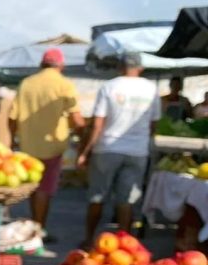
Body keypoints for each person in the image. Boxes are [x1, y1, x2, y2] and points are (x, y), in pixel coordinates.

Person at [76, 52, 159, 247]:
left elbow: (97, 124)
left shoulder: (109, 87)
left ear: (120, 67)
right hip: (137, 151)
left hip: (107, 148)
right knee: (126, 200)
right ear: (140, 68)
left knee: (97, 197)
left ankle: (89, 239)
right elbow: (154, 124)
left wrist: (85, 152)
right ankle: (125, 245)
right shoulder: (152, 89)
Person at [8, 48, 86, 237]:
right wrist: (84, 138)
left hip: (28, 146)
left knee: (35, 187)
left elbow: (12, 117)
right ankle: (38, 231)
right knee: (44, 189)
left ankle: (35, 226)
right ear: (61, 65)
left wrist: (12, 140)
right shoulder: (64, 84)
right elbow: (77, 120)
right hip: (52, 147)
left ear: (42, 64)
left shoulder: (26, 83)